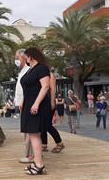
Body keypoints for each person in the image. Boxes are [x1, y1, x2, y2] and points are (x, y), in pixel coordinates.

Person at [20, 47, 50, 175]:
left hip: (36, 104)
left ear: (31, 56)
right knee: (32, 135)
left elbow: (45, 86)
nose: (24, 59)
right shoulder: (31, 69)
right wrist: (23, 102)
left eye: (25, 56)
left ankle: (39, 165)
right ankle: (37, 163)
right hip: (29, 103)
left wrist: (36, 103)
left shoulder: (42, 68)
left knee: (34, 134)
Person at [14, 49, 33, 164]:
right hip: (22, 104)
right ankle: (28, 153)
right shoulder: (22, 71)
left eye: (17, 58)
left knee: (30, 130)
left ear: (23, 58)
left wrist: (22, 101)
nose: (16, 60)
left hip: (26, 103)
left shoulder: (29, 70)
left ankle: (30, 155)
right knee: (26, 130)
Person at [40, 71, 65, 154]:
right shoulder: (39, 73)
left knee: (47, 125)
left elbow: (53, 88)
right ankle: (43, 144)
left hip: (48, 101)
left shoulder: (50, 75)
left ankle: (59, 143)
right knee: (42, 124)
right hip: (42, 102)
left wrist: (52, 102)